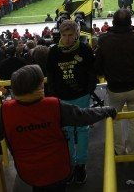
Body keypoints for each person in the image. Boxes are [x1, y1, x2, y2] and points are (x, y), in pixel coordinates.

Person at [0, 65, 116, 192]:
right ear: (39, 87)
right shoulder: (54, 106)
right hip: (58, 169)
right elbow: (83, 116)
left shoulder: (4, 112)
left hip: (28, 172)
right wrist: (107, 110)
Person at [46, 19, 97, 184]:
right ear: (60, 35)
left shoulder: (85, 50)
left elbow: (92, 71)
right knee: (66, 132)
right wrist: (53, 94)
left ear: (77, 34)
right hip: (62, 98)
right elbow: (51, 75)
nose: (67, 38)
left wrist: (89, 89)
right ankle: (71, 164)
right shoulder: (53, 52)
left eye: (70, 35)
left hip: (81, 95)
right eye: (64, 35)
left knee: (82, 131)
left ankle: (80, 165)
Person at [95, 8, 134, 156]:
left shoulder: (104, 39)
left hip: (115, 88)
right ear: (130, 22)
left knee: (114, 120)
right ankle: (133, 151)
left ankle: (119, 150)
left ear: (113, 22)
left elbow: (98, 66)